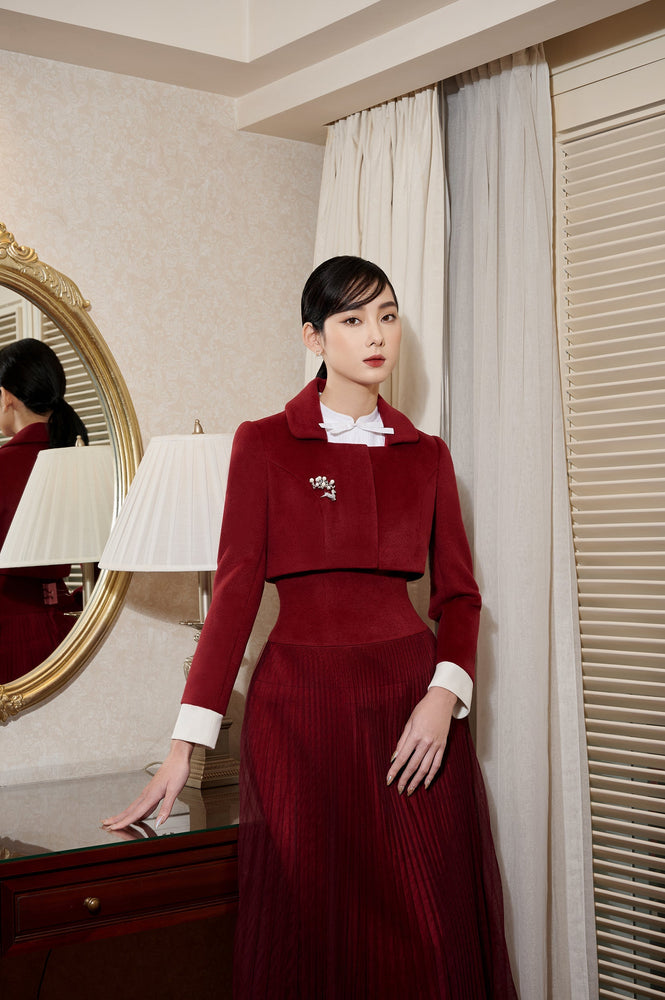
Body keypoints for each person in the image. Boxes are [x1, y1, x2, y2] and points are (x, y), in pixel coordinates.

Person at [104, 257, 517, 998]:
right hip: (299, 714)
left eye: (387, 316)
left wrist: (442, 697)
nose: (376, 335)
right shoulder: (263, 443)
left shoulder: (427, 455)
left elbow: (460, 598)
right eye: (352, 320)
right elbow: (233, 597)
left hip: (410, 711)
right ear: (314, 337)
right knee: (314, 923)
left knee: (430, 925)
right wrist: (182, 747)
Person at [0, 338, 87, 683]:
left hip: (7, 636)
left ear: (6, 396)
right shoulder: (79, 461)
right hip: (64, 632)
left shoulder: (4, 465)